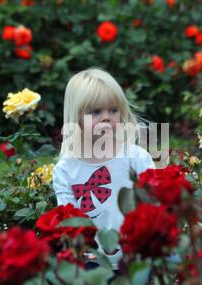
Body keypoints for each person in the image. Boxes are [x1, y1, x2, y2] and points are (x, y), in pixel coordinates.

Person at [53, 68, 155, 271]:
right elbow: (70, 222)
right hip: (92, 260)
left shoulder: (136, 158)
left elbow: (154, 205)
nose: (106, 117)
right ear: (77, 118)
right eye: (96, 112)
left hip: (136, 256)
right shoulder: (66, 170)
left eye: (113, 110)